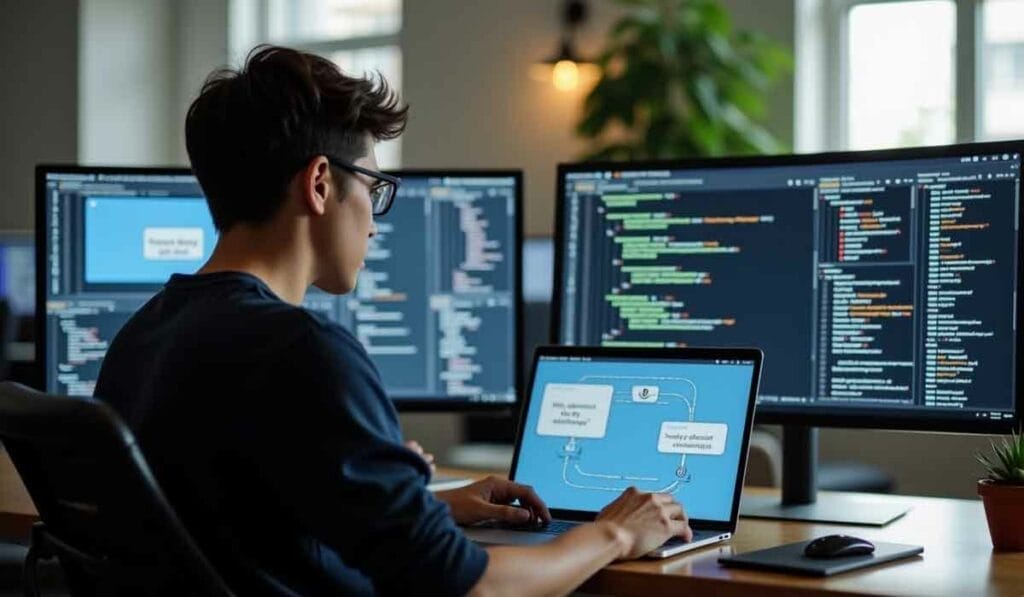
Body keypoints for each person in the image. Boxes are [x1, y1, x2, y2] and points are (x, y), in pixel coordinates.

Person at [93, 45, 692, 596]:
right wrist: (615, 533)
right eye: (374, 188)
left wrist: (424, 508)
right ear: (321, 183)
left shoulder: (144, 333)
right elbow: (473, 590)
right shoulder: (303, 350)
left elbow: (242, 514)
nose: (376, 222)